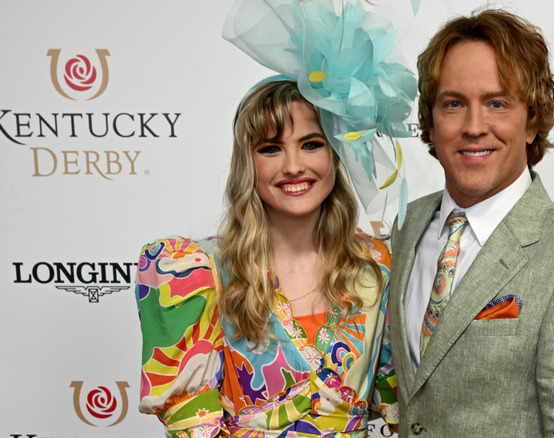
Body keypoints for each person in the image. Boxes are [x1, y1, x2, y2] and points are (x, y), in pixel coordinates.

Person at [388, 9, 554, 437]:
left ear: (533, 120)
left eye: (497, 103)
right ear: (430, 122)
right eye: (453, 104)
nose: (473, 127)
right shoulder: (406, 224)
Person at [135, 80, 399, 437]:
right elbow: (191, 422)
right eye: (271, 149)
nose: (293, 166)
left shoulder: (376, 266)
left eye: (311, 144)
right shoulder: (194, 272)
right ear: (247, 162)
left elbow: (407, 401)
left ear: (336, 153)